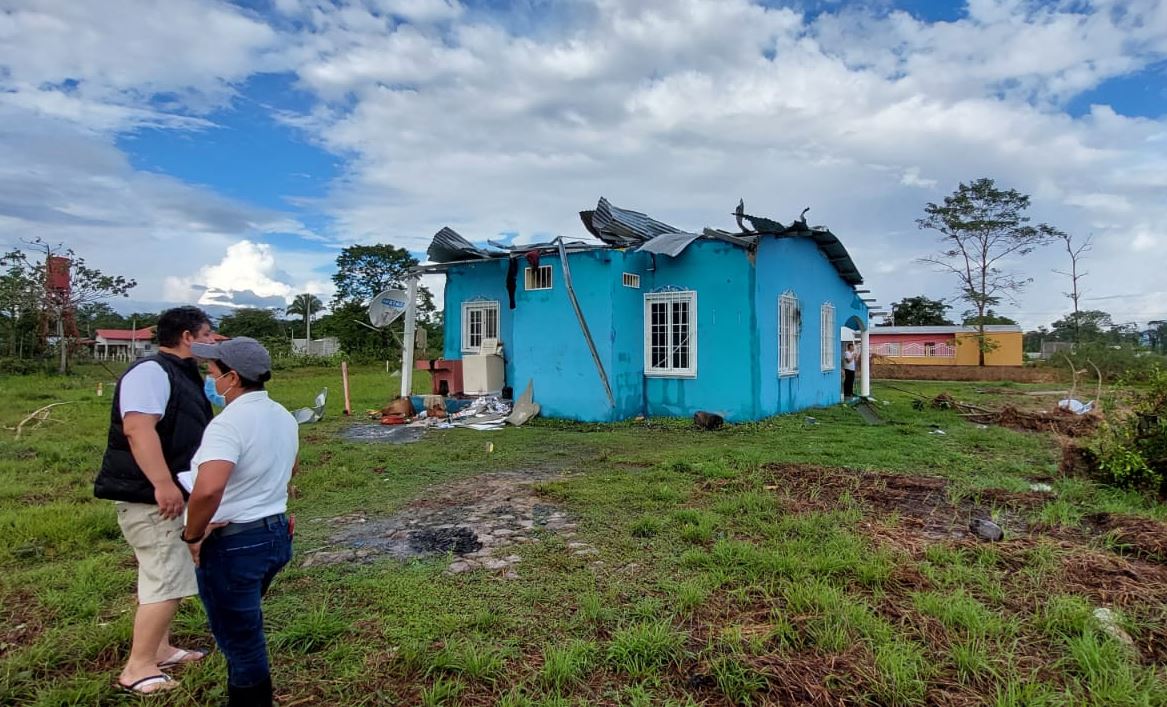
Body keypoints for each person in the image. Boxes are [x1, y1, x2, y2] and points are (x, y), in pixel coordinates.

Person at [94, 306, 215, 695]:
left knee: (166, 576)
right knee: (165, 577)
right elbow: (137, 428)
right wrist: (163, 484)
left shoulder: (181, 375)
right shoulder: (151, 372)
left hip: (170, 494)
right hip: (151, 498)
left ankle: (160, 649)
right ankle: (139, 668)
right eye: (208, 335)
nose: (212, 342)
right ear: (186, 337)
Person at [181, 337, 298, 707]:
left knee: (242, 642)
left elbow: (208, 489)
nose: (209, 378)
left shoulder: (228, 424)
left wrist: (193, 534)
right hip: (275, 534)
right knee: (242, 622)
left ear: (232, 378)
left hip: (234, 543)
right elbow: (290, 467)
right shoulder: (282, 414)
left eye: (212, 372)